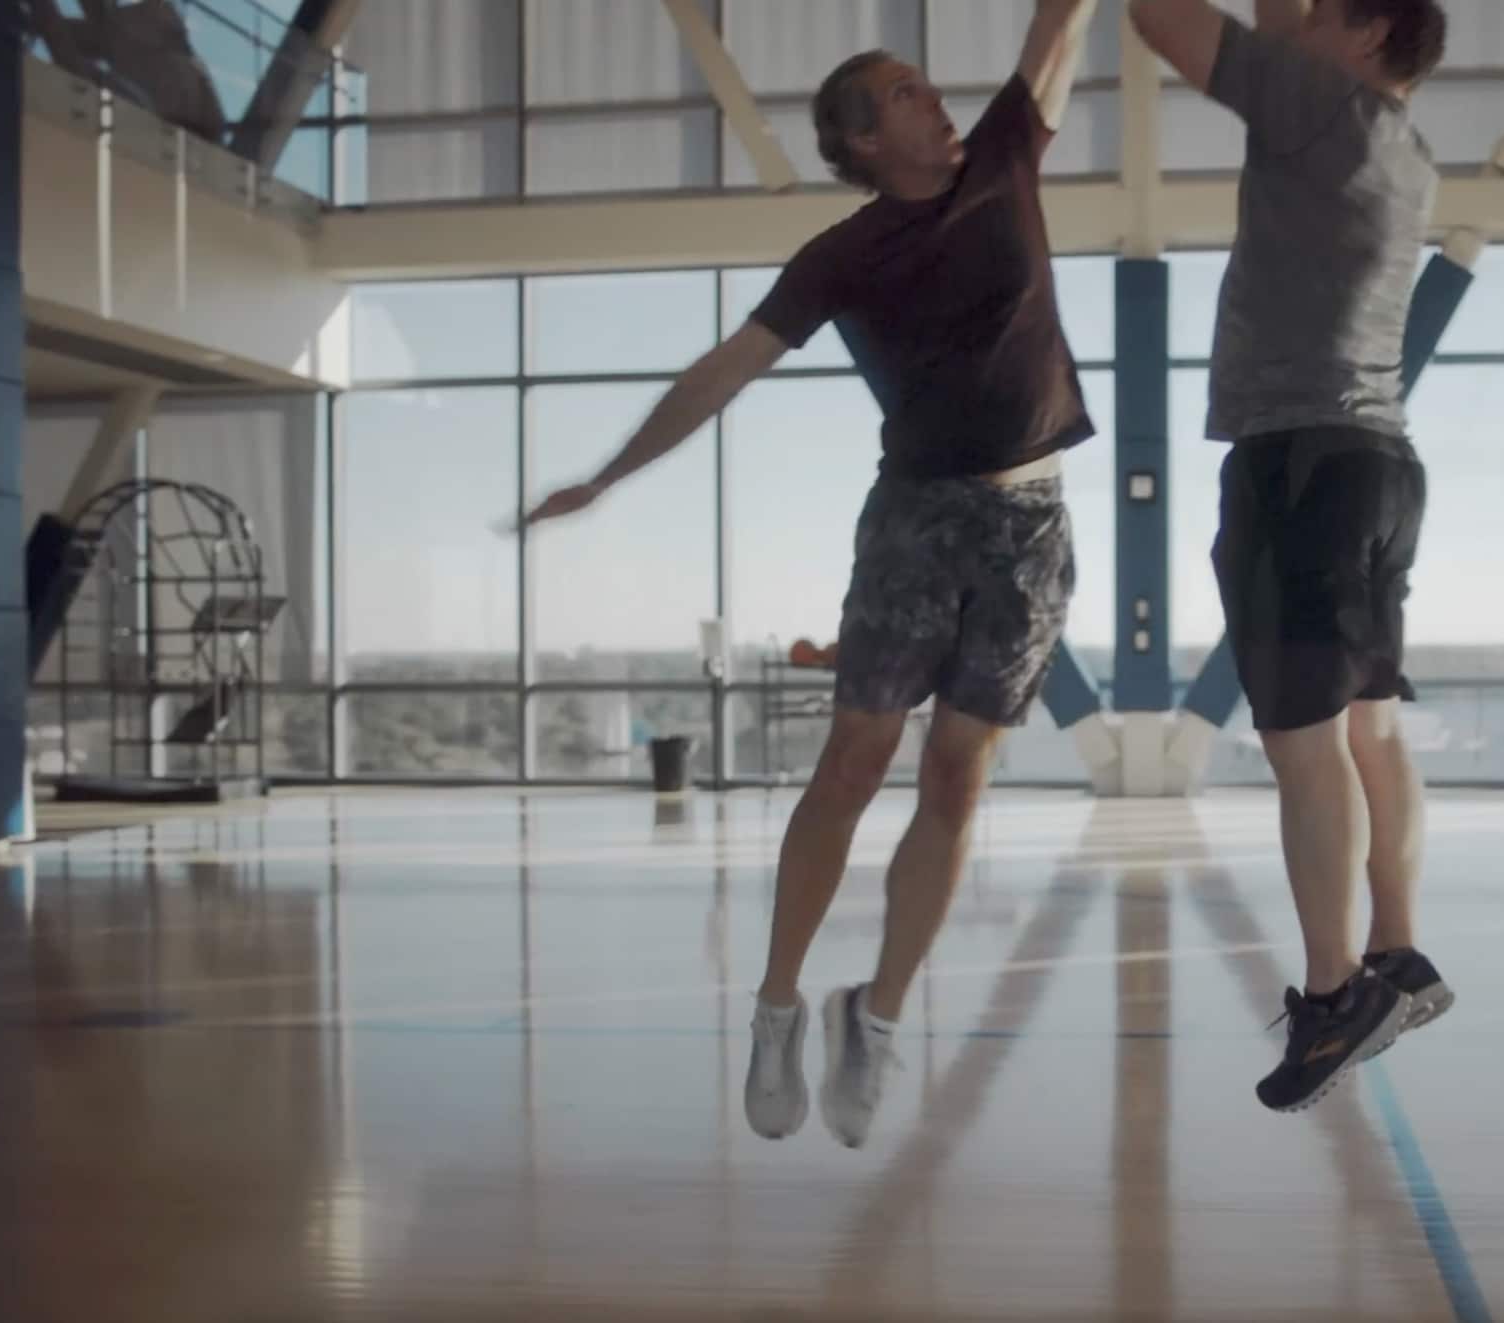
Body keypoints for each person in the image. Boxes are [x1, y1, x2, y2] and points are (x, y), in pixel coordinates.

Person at [519, 0, 1103, 1148]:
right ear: (862, 143)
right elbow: (722, 372)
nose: (932, 95)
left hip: (1033, 524)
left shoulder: (1004, 156)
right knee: (856, 757)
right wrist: (605, 477)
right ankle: (779, 1006)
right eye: (902, 92)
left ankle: (874, 1018)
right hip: (916, 522)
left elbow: (1060, 24)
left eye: (924, 83)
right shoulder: (841, 255)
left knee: (957, 782)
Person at [1128, 0, 1450, 1112]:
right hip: (1377, 464)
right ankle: (1397, 951)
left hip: (1298, 466)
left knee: (1303, 746)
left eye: (1317, 12)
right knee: (1368, 726)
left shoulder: (1318, 104)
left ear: (1366, 34)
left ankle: (1334, 993)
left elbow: (1162, 21)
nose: (1291, 20)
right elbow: (1276, 27)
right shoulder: (1404, 149)